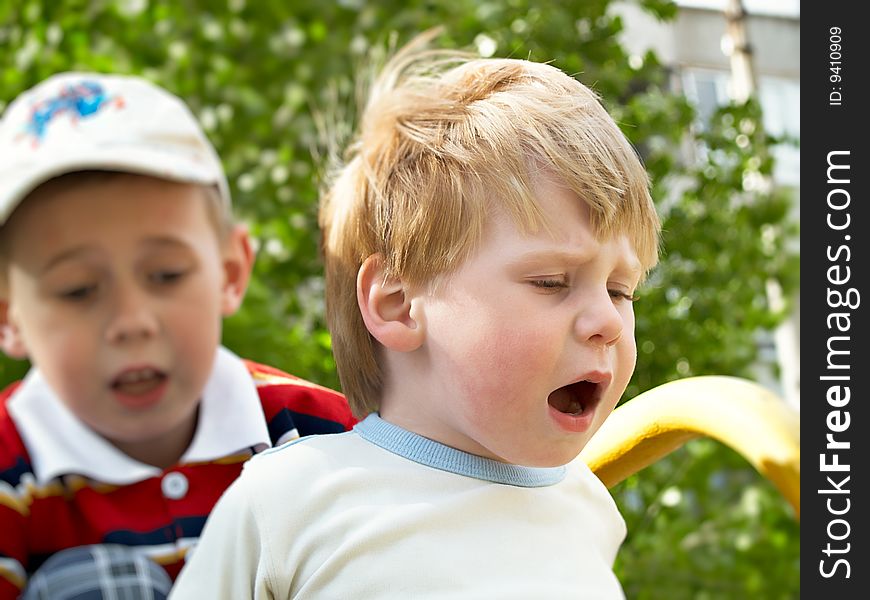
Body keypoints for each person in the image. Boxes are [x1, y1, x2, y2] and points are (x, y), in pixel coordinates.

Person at [171, 33, 661, 599]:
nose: (607, 321)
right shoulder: (291, 500)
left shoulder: (590, 509)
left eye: (622, 290)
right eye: (550, 282)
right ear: (397, 304)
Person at [0, 72, 356, 600]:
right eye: (77, 291)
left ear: (230, 273)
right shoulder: (11, 472)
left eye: (166, 275)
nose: (132, 321)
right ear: (9, 317)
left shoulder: (318, 436)